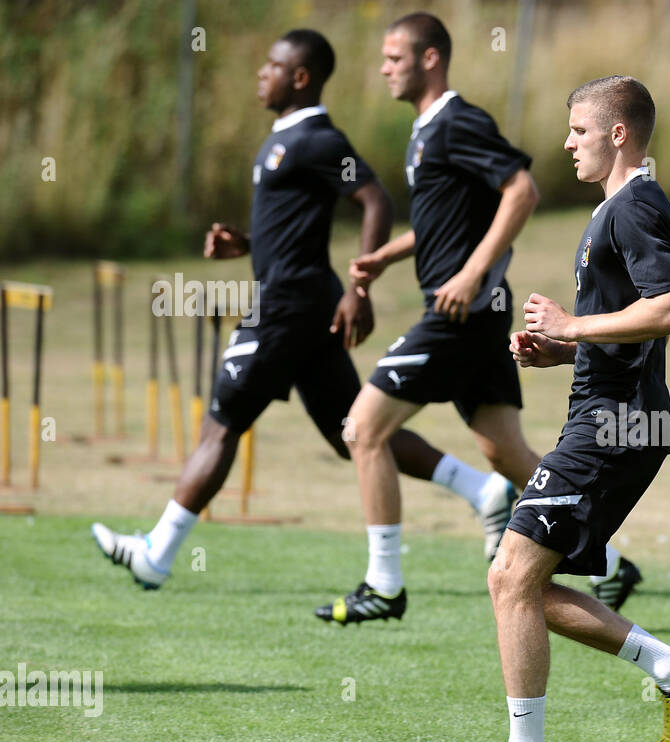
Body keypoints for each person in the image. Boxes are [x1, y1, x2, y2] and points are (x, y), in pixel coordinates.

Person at [92, 29, 503, 598]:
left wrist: (359, 288)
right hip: (301, 308)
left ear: (301, 77)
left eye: (273, 65)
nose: (262, 73)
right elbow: (293, 225)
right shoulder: (285, 138)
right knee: (351, 433)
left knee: (222, 421)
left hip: (287, 308)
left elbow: (375, 198)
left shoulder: (317, 137)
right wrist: (248, 242)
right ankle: (483, 491)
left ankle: (156, 555)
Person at [316, 13, 642, 626]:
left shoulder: (458, 120)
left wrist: (471, 273)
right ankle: (613, 562)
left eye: (395, 57)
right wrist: (390, 253)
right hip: (472, 312)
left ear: (431, 59)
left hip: (461, 312)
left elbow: (521, 190)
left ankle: (384, 584)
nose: (385, 68)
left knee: (363, 430)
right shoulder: (424, 132)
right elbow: (450, 219)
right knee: (503, 450)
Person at [440, 76, 670, 742]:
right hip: (611, 418)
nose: (567, 143)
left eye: (579, 130)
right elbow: (631, 328)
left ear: (617, 133)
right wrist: (560, 349)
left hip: (615, 425)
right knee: (523, 584)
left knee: (509, 575)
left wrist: (570, 324)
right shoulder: (615, 212)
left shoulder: (637, 204)